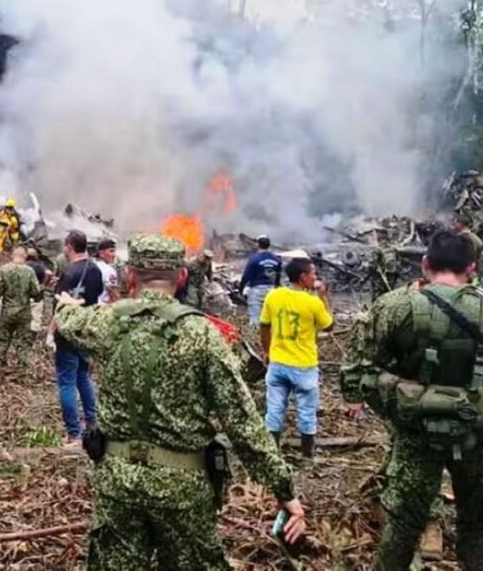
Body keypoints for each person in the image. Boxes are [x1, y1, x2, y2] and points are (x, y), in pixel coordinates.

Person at [54, 234, 306, 568]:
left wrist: (67, 306)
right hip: (182, 488)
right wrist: (284, 491)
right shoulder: (204, 335)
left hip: (116, 483)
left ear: (130, 277)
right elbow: (244, 426)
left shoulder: (106, 322)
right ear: (182, 277)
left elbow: (67, 321)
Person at [341, 230, 483, 570]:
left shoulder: (394, 306)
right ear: (472, 269)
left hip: (417, 436)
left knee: (402, 526)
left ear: (425, 263)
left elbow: (356, 369)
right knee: (475, 526)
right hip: (479, 437)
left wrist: (390, 401)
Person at [259, 257, 332, 457]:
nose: (315, 277)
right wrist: (324, 297)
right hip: (304, 366)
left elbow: (264, 326)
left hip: (278, 363)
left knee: (274, 409)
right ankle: (307, 454)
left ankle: (271, 453)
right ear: (303, 277)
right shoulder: (313, 302)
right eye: (313, 274)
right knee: (307, 412)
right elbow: (329, 325)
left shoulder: (273, 296)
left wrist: (267, 352)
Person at [52, 230, 103, 444]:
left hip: (68, 333)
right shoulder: (95, 269)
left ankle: (74, 433)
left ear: (69, 246)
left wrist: (51, 331)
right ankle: (93, 422)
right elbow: (97, 295)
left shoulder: (70, 272)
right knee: (84, 376)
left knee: (67, 382)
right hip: (86, 330)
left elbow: (60, 306)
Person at [0, 246, 44, 367]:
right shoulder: (29, 271)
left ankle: (0, 363)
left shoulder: (4, 270)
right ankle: (22, 365)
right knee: (23, 341)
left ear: (13, 255)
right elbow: (36, 292)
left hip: (7, 311)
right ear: (25, 256)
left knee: (3, 339)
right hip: (23, 312)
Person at [239, 236, 282, 325]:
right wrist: (276, 287)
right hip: (271, 290)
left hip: (256, 290)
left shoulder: (254, 259)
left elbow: (246, 276)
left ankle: (255, 335)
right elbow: (278, 275)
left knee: (255, 317)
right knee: (270, 317)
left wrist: (241, 288)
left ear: (258, 244)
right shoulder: (276, 259)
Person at [94, 239, 120, 304]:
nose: (114, 255)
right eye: (111, 251)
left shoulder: (90, 265)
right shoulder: (109, 270)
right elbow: (114, 295)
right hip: (104, 307)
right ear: (101, 253)